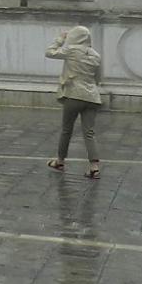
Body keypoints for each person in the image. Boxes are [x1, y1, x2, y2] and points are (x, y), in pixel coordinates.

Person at [45, 25, 104, 178]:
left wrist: (60, 39)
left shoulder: (71, 50)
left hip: (74, 95)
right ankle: (94, 166)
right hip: (92, 97)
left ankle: (60, 161)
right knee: (89, 132)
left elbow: (49, 52)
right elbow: (98, 79)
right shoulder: (96, 55)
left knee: (67, 129)